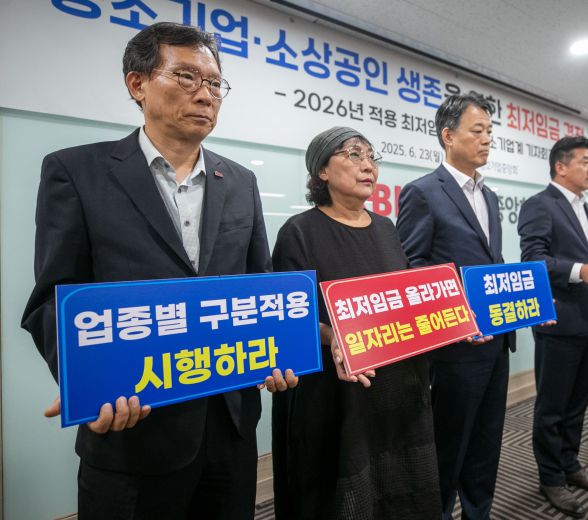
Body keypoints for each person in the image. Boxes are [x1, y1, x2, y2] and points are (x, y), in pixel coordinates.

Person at [20, 22, 297, 519]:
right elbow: (51, 299)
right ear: (138, 84)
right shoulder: (76, 171)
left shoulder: (240, 181)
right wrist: (89, 384)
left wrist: (277, 350)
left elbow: (261, 286)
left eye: (214, 84)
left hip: (230, 425)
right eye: (187, 77)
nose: (205, 94)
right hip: (131, 430)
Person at [271, 127, 440, 520]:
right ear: (322, 172)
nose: (367, 165)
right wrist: (334, 337)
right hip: (334, 393)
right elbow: (291, 318)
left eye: (370, 156)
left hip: (395, 388)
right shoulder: (299, 232)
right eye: (352, 154)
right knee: (343, 491)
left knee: (398, 486)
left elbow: (400, 302)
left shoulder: (386, 227)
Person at [396, 93, 515, 520]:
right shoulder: (423, 193)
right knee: (450, 444)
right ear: (448, 136)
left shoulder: (492, 197)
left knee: (487, 441)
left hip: (496, 340)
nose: (487, 140)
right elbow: (413, 269)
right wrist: (455, 320)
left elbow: (491, 264)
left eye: (490, 132)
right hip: (454, 347)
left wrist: (524, 305)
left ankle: (478, 513)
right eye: (477, 131)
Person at [517, 136, 588, 519]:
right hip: (557, 321)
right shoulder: (539, 205)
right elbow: (532, 261)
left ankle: (571, 465)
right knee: (552, 406)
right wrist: (578, 271)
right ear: (561, 166)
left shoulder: (586, 209)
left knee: (577, 403)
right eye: (585, 161)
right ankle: (551, 477)